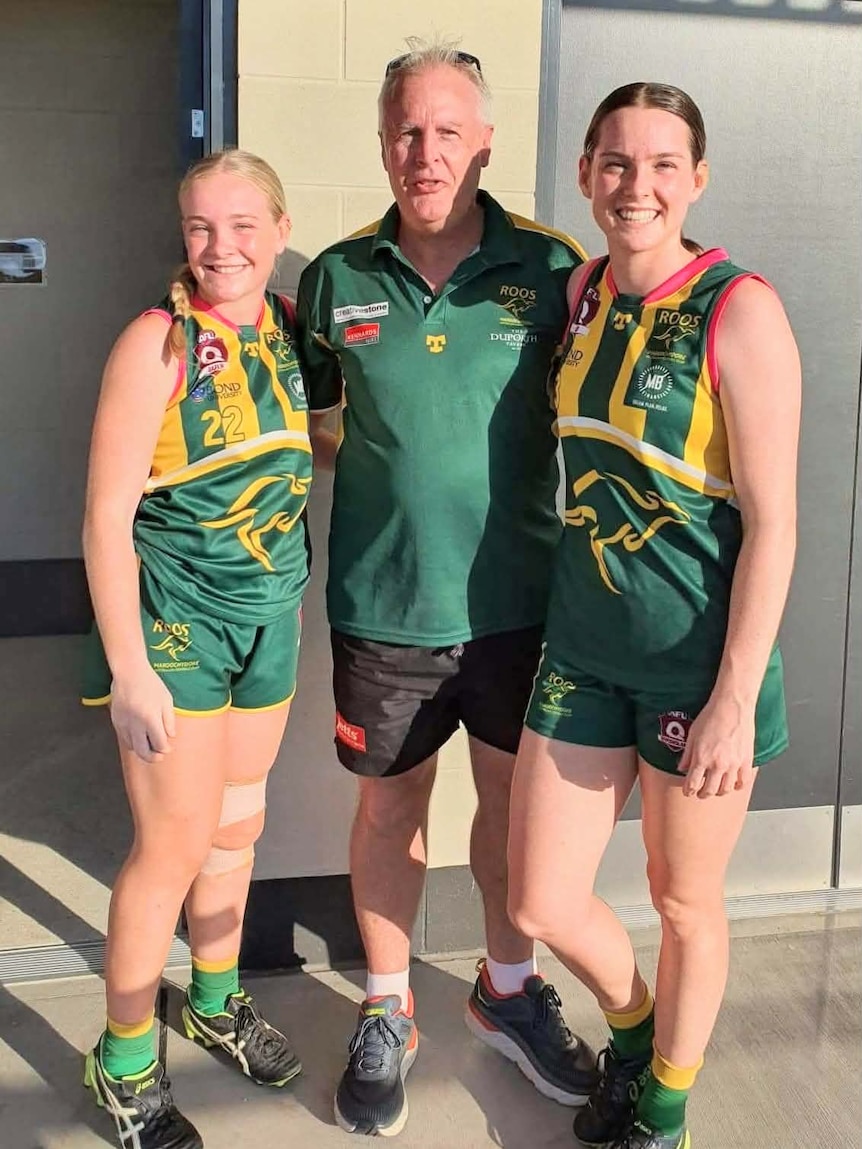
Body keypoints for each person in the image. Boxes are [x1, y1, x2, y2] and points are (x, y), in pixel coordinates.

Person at [296, 37, 598, 1140]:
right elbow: (315, 418)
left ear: (482, 142)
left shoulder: (554, 267)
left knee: (514, 810)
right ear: (384, 142)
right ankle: (386, 1004)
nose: (423, 153)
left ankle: (505, 988)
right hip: (383, 608)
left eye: (444, 131)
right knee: (389, 806)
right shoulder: (334, 276)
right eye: (404, 132)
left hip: (521, 604)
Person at [507, 82, 801, 1149]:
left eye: (661, 164)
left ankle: (662, 1112)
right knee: (538, 901)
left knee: (683, 904)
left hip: (696, 669)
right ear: (585, 173)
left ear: (696, 180)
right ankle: (634, 1034)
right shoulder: (578, 292)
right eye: (616, 163)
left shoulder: (740, 307)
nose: (636, 186)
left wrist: (731, 701)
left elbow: (774, 524)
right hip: (581, 652)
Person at [80, 149, 311, 1149]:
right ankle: (123, 1060)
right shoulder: (156, 341)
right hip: (178, 624)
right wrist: (129, 666)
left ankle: (214, 1001)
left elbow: (301, 440)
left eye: (241, 225)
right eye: (200, 229)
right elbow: (101, 519)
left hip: (273, 615)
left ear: (279, 227)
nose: (221, 247)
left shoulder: (293, 331)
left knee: (236, 827)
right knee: (170, 846)